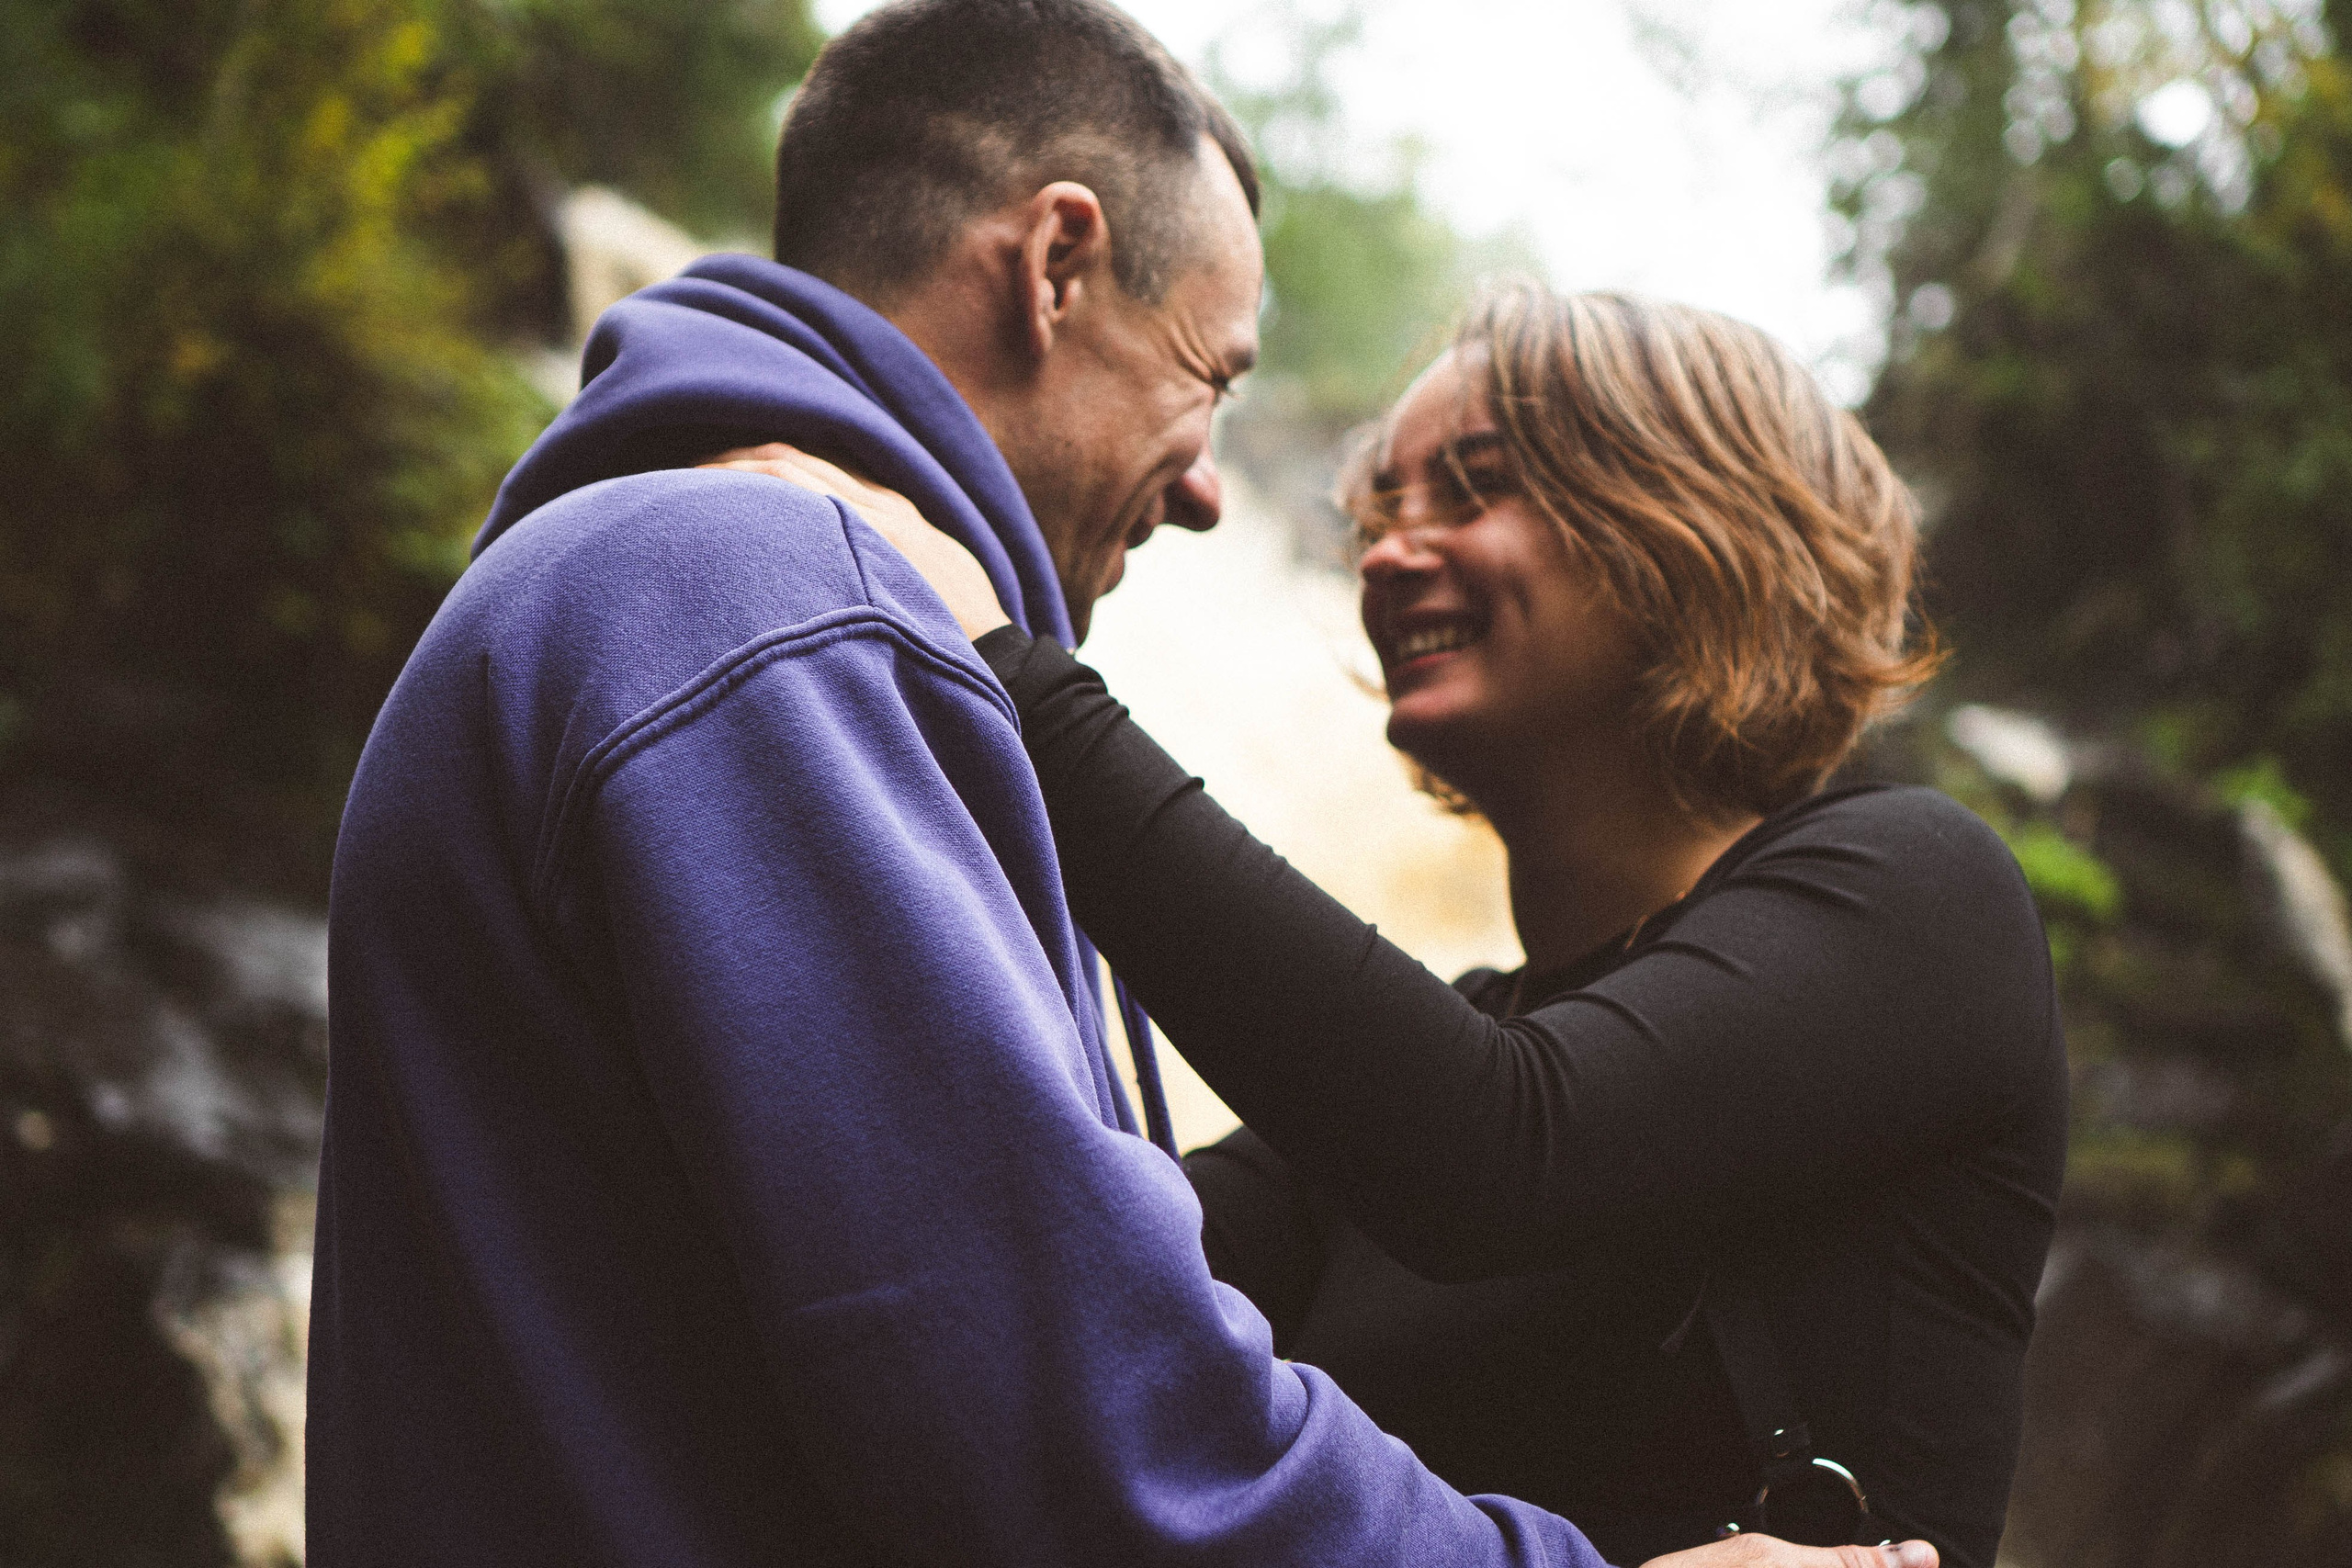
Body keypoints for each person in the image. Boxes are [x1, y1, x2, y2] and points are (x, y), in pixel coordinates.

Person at [310, 0, 1941, 1562]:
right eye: (1208, 375)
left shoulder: (666, 574)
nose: (1227, 497)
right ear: (1058, 265)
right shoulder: (766, 602)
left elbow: (1238, 1231)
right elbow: (1071, 1414)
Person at [773, 284, 2064, 1568]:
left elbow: (1495, 1154)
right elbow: (1078, 1271)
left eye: (1476, 487)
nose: (1388, 552)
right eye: (1384, 508)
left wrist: (990, 661)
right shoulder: (1401, 1086)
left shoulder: (1920, 892)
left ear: (1690, 521)